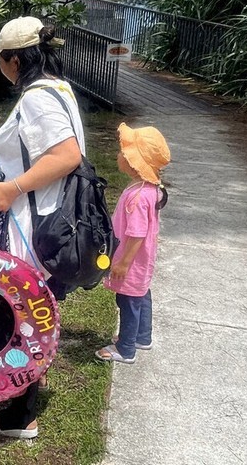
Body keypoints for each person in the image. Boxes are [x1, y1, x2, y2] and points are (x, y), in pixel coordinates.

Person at [0, 16, 84, 439]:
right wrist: (2, 140)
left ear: (16, 58)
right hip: (48, 218)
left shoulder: (37, 96)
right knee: (34, 308)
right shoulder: (60, 88)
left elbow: (66, 154)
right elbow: (43, 147)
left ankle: (19, 416)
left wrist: (12, 186)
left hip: (33, 223)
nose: (0, 66)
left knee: (21, 314)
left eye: (3, 59)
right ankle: (26, 388)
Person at [96, 123, 170, 364]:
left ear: (133, 162)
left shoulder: (138, 197)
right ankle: (142, 336)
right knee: (141, 295)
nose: (119, 155)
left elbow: (137, 233)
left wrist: (124, 263)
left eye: (123, 153)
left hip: (132, 260)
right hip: (143, 261)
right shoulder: (148, 188)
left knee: (127, 301)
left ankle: (126, 348)